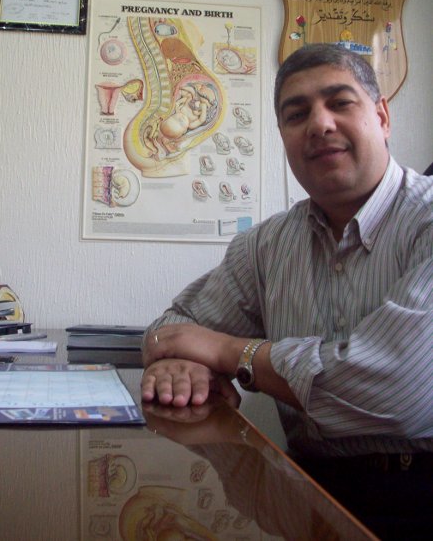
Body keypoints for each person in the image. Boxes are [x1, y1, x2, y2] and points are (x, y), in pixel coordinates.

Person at [141, 43, 432, 540]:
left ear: (382, 117)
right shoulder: (266, 245)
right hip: (303, 487)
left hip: (419, 495)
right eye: (296, 114)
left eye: (340, 103)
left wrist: (227, 353)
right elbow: (171, 329)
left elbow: (399, 391)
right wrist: (181, 364)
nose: (319, 124)